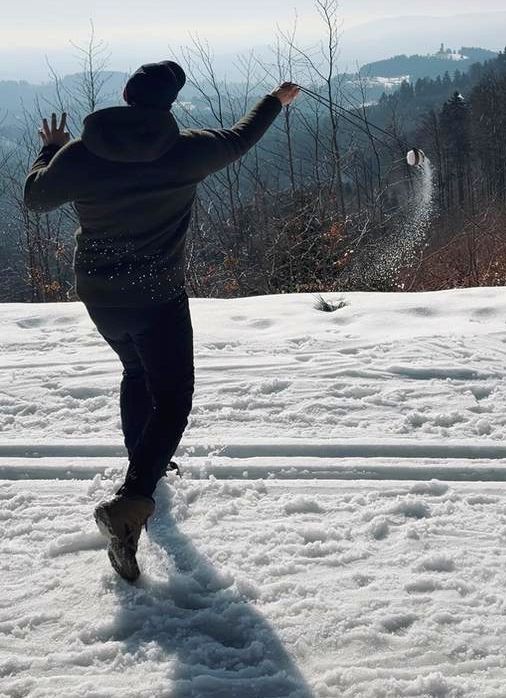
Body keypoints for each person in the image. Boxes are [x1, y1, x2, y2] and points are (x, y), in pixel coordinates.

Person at [23, 60, 299, 581]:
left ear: (126, 95)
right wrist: (275, 100)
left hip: (101, 295)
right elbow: (242, 137)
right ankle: (133, 501)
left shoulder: (82, 154)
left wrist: (50, 150)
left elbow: (35, 199)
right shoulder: (186, 150)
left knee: (135, 372)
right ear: (170, 104)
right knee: (173, 398)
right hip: (157, 297)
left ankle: (142, 463)